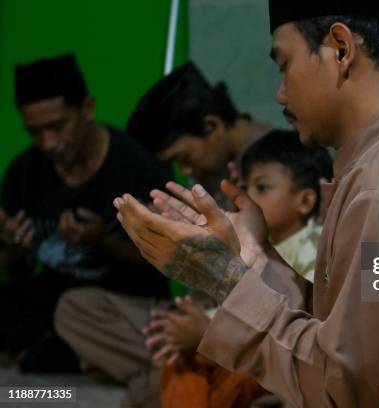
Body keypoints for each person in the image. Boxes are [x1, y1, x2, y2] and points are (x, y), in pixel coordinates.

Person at [114, 1, 379, 406]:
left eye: (285, 65)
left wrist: (225, 282)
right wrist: (257, 262)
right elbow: (342, 338)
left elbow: (351, 393)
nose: (280, 94)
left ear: (340, 49)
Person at [54, 63, 271, 408]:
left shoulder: (271, 170)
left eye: (286, 66)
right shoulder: (213, 166)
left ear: (212, 127)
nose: (185, 171)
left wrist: (209, 328)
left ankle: (161, 375)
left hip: (246, 318)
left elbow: (275, 287)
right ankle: (168, 369)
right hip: (205, 309)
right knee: (74, 308)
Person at [0, 53, 171, 372]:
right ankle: (65, 351)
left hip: (119, 301)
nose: (49, 143)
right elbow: (16, 271)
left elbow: (170, 263)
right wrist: (12, 250)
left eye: (57, 127)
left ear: (87, 109)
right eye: (35, 132)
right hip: (52, 299)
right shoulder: (24, 171)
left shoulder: (139, 167)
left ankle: (59, 351)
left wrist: (103, 243)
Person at [151, 130, 332, 408]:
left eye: (261, 188)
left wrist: (207, 330)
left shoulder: (314, 249)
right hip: (251, 342)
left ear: (305, 201)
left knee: (209, 369)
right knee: (180, 361)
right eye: (244, 187)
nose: (249, 198)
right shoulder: (259, 241)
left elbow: (303, 321)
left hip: (286, 356)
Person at [127, 61, 271, 203]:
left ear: (211, 127)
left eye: (184, 158)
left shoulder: (275, 165)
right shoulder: (218, 166)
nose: (185, 171)